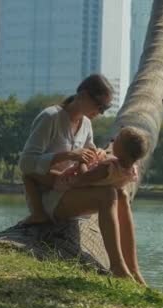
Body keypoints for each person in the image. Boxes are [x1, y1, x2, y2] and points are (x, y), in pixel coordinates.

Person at [18, 74, 147, 285]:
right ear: (83, 95)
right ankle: (117, 267)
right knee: (107, 195)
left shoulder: (86, 124)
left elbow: (85, 158)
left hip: (72, 189)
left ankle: (133, 268)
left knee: (121, 194)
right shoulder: (50, 117)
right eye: (100, 106)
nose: (101, 112)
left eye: (105, 109)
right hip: (51, 194)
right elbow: (26, 163)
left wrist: (91, 160)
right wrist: (70, 156)